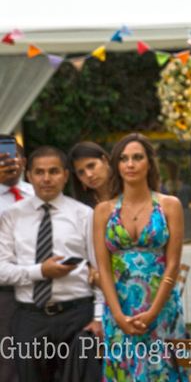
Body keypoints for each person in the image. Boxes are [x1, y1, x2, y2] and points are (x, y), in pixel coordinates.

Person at [0, 146, 103, 381]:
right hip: (30, 317)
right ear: (29, 175)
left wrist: (98, 317)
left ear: (66, 175)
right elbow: (1, 270)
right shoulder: (12, 216)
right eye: (39, 172)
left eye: (54, 171)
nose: (46, 178)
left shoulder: (84, 214)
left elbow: (99, 269)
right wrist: (40, 271)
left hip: (77, 316)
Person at [93, 133, 188, 381]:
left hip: (162, 307)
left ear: (149, 162)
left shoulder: (170, 205)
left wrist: (153, 312)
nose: (130, 164)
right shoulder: (103, 210)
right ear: (116, 165)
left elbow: (174, 264)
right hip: (119, 308)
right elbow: (102, 268)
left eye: (137, 157)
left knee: (163, 373)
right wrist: (117, 316)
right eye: (124, 159)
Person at [0, 139, 33, 382]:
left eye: (12, 157)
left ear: (23, 161)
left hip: (44, 289)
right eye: (1, 158)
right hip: (6, 293)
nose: (9, 163)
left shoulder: (38, 193)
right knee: (9, 362)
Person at [68, 141, 111, 208]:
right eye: (81, 172)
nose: (88, 175)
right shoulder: (80, 208)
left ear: (104, 160)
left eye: (91, 166)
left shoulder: (129, 190)